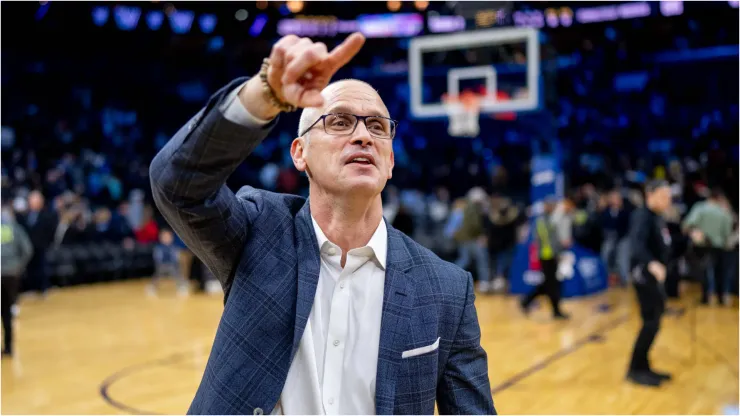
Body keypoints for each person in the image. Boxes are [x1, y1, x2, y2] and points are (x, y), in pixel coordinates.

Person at [150, 33, 494, 415]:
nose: (363, 135)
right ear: (300, 153)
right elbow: (177, 185)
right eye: (341, 122)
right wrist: (264, 95)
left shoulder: (447, 288)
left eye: (378, 128)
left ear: (391, 161)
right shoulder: (258, 232)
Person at [625, 180, 674, 387]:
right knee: (650, 322)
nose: (668, 200)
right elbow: (637, 245)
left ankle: (643, 365)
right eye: (663, 196)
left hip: (654, 276)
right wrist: (652, 263)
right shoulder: (642, 216)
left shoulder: (657, 217)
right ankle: (635, 369)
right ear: (650, 195)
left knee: (654, 320)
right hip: (643, 275)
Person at [681, 187, 734, 305]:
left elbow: (687, 224)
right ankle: (721, 297)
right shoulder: (724, 212)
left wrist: (695, 233)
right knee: (720, 272)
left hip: (702, 245)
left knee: (704, 271)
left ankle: (706, 297)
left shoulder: (700, 208)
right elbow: (727, 232)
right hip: (719, 246)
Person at [1, 203, 34, 357]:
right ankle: (8, 347)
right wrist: (18, 267)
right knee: (7, 312)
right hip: (11, 275)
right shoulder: (14, 228)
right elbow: (27, 249)